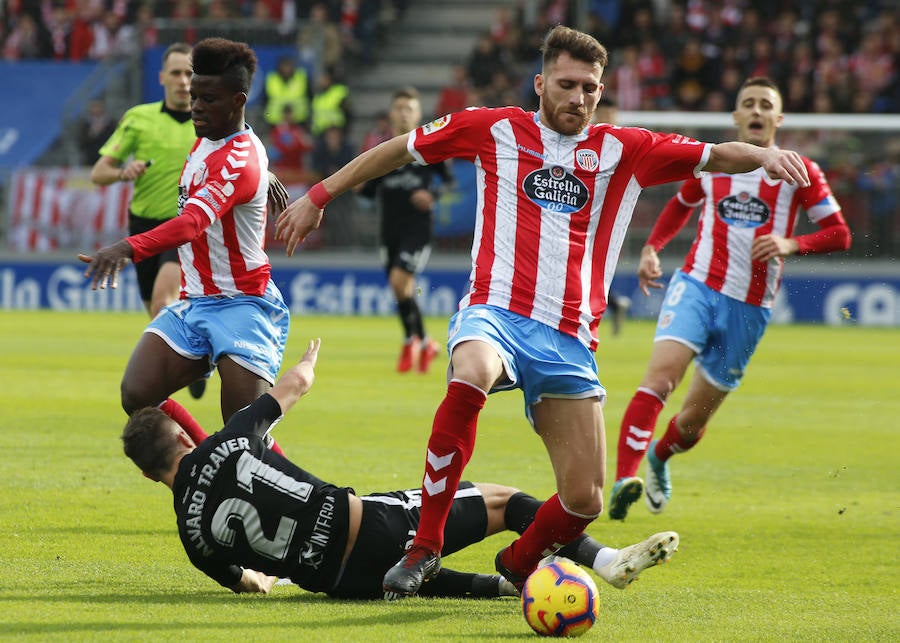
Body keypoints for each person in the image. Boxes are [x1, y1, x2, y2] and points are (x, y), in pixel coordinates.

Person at [274, 26, 811, 598]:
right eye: (566, 84)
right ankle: (425, 547)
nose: (578, 98)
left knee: (586, 499)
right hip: (495, 311)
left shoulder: (625, 149)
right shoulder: (493, 128)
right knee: (471, 373)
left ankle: (517, 561)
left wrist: (764, 154)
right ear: (540, 83)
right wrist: (318, 196)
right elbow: (397, 149)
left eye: (590, 88)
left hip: (569, 338)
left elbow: (713, 154)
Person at [123, 338, 680, 599]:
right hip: (370, 526)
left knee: (456, 584)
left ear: (151, 476)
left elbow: (249, 584)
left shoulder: (192, 538)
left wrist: (270, 575)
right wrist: (311, 361)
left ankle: (520, 589)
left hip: (340, 585)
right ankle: (604, 561)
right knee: (505, 502)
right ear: (180, 433)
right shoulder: (232, 437)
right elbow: (291, 388)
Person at [608, 77, 851, 520]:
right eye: (748, 104)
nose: (756, 110)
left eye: (765, 105)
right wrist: (651, 248)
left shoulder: (801, 171)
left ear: (778, 119)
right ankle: (626, 477)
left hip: (750, 308)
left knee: (690, 424)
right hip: (696, 285)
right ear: (736, 116)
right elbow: (680, 203)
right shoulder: (715, 163)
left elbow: (840, 234)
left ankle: (660, 458)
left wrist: (791, 244)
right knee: (661, 378)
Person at [79, 37, 290, 427]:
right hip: (196, 302)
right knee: (137, 395)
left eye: (207, 99)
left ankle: (306, 488)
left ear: (238, 101)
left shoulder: (238, 159)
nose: (195, 106)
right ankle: (200, 460)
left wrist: (127, 249)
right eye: (194, 96)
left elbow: (193, 222)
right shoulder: (208, 137)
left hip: (242, 303)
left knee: (243, 436)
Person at [89, 43, 209, 400]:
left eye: (189, 73)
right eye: (175, 73)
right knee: (156, 314)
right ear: (161, 78)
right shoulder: (138, 118)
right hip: (143, 226)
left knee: (162, 300)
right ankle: (193, 360)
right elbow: (99, 173)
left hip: (185, 225)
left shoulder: (208, 121)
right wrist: (123, 172)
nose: (183, 81)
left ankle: (177, 374)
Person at [358, 87, 451, 373]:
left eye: (409, 108)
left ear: (418, 114)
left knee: (400, 282)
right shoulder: (383, 152)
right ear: (390, 113)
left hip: (417, 229)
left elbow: (448, 183)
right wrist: (357, 184)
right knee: (402, 289)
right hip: (389, 230)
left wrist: (431, 196)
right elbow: (366, 193)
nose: (403, 113)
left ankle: (411, 341)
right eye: (399, 107)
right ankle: (424, 343)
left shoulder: (429, 148)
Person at [593, 96, 630, 335]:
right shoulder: (589, 137)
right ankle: (614, 303)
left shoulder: (626, 142)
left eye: (610, 112)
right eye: (602, 112)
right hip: (586, 215)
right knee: (589, 268)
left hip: (611, 217)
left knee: (595, 266)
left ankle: (610, 304)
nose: (606, 117)